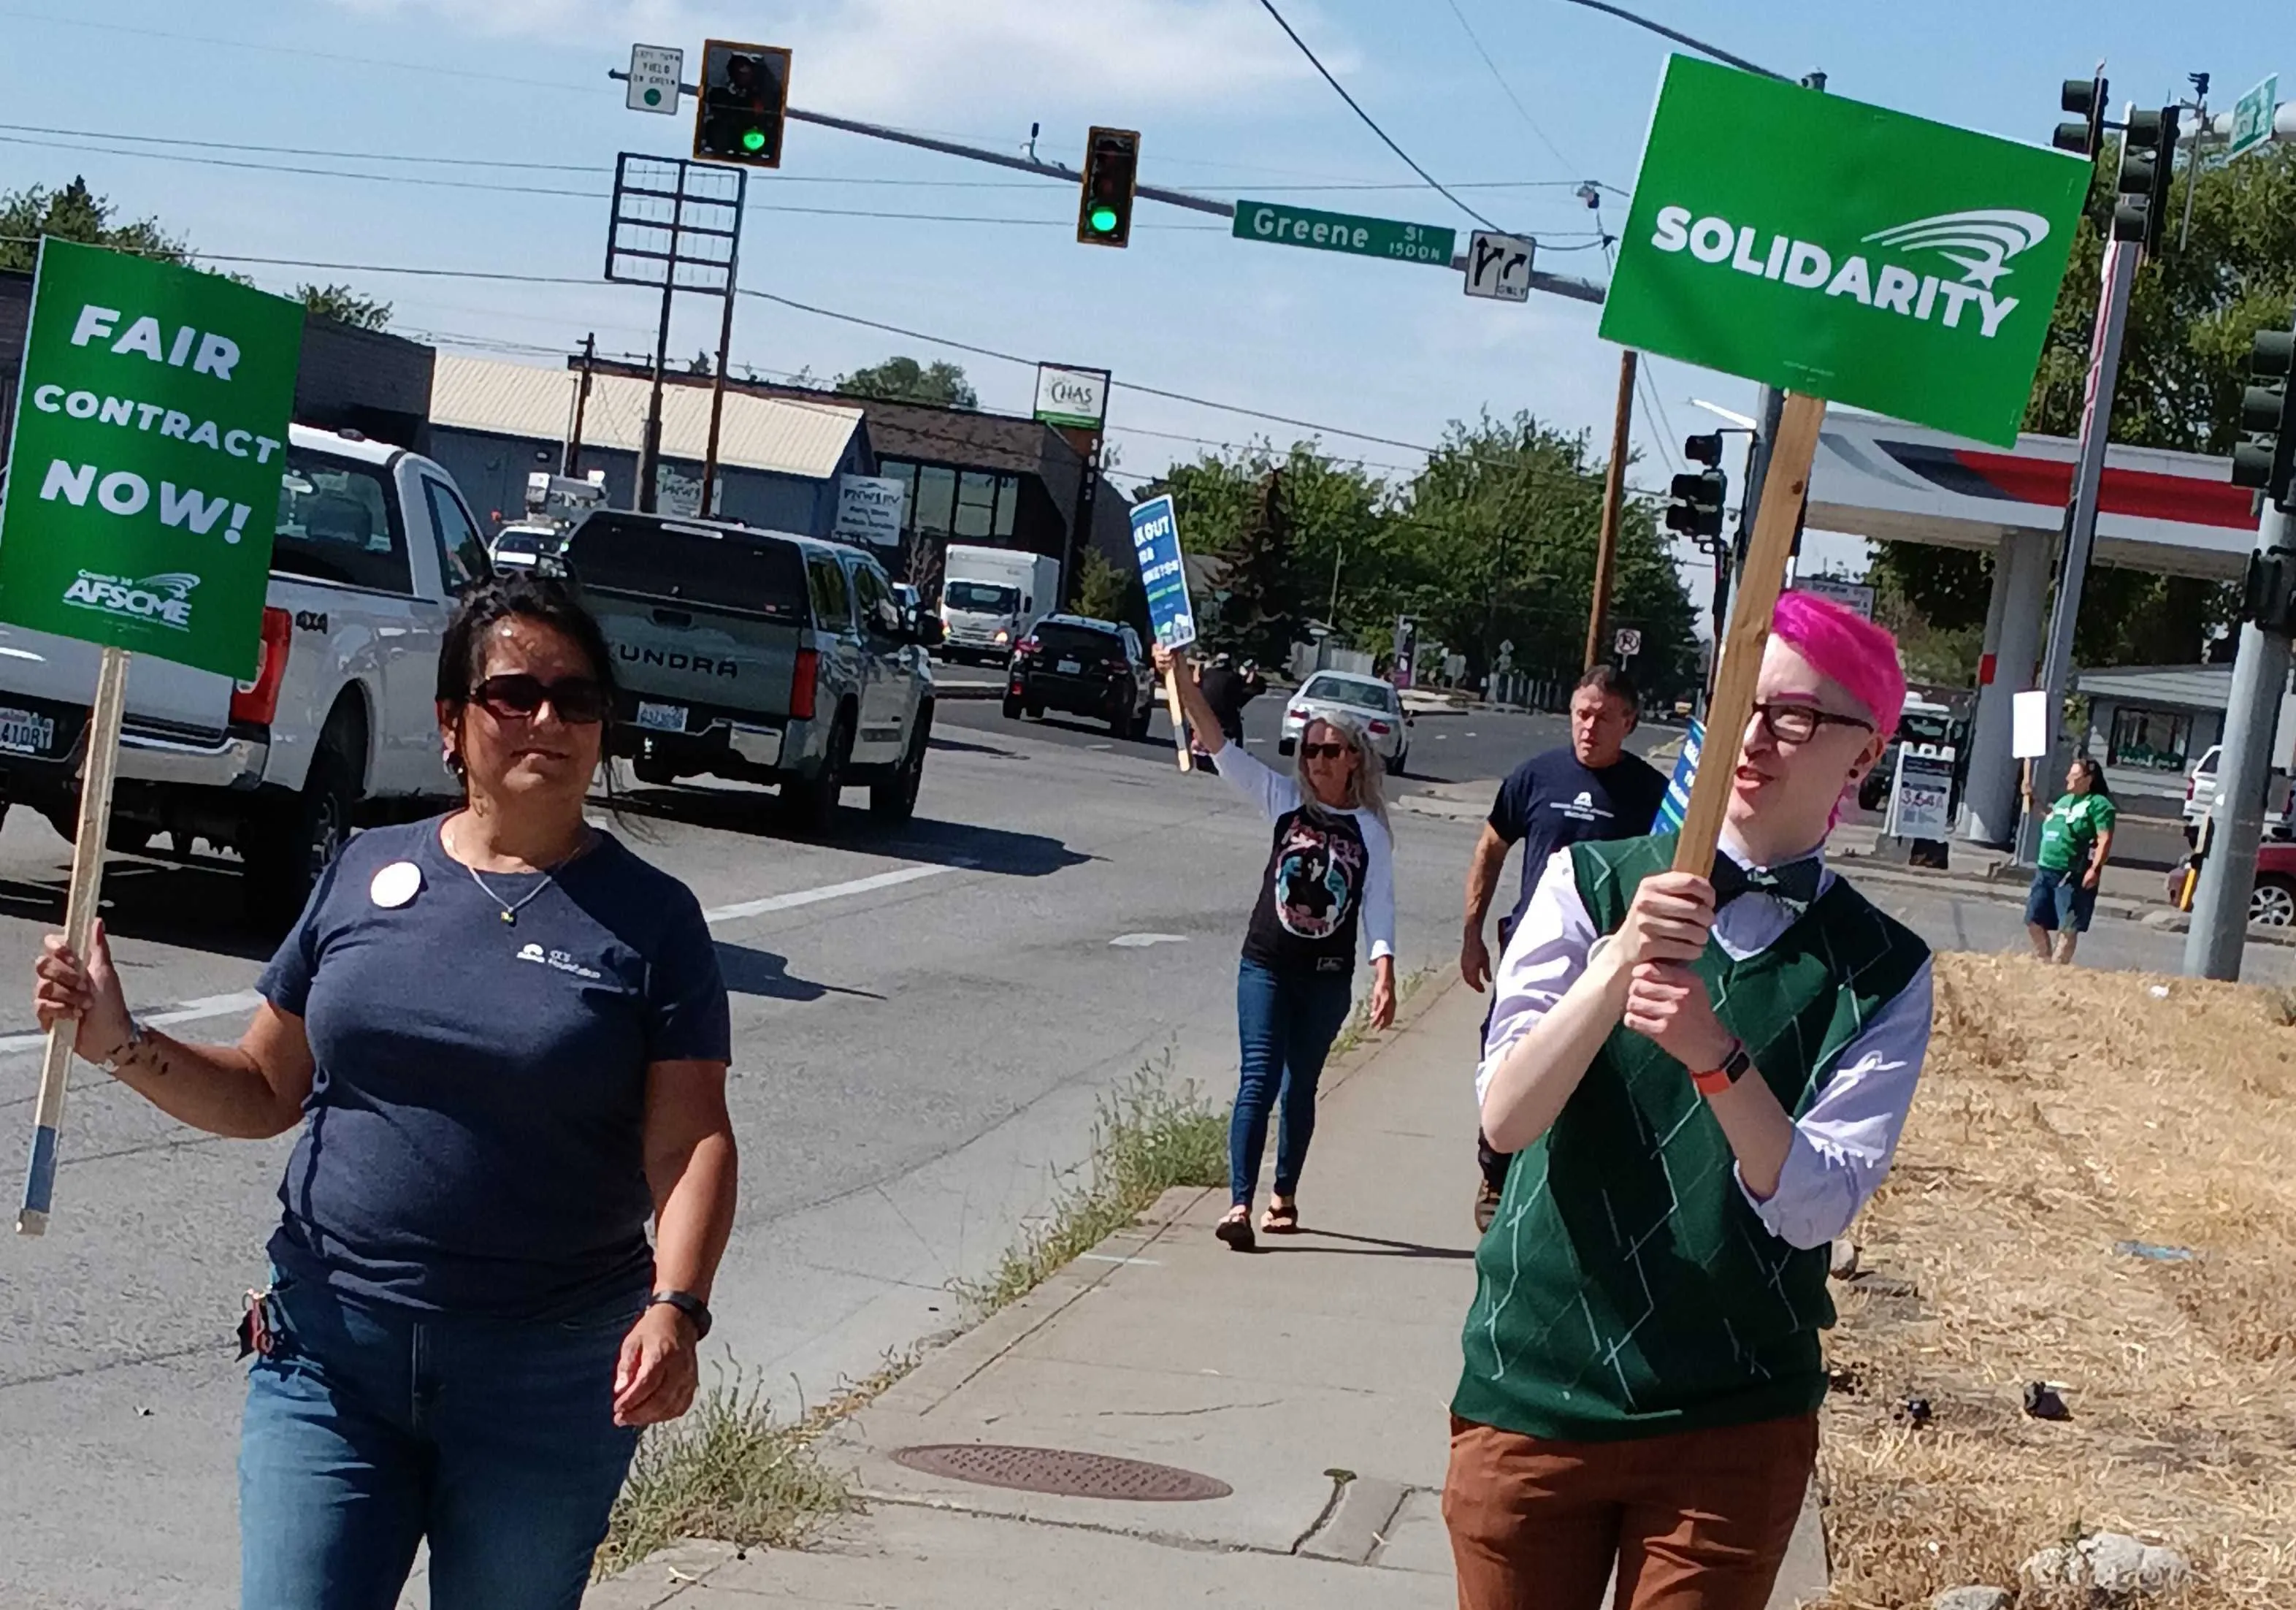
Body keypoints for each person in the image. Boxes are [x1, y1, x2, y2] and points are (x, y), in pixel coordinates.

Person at [32, 574, 737, 1610]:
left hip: (545, 1376)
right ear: (452, 723)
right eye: (515, 694)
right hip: (329, 1355)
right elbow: (265, 1088)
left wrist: (677, 1306)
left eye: (577, 699)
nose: (548, 719)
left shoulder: (653, 920)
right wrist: (121, 1042)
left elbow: (690, 1144)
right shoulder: (364, 871)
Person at [1444, 591, 1933, 1610]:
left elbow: (1817, 1204)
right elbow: (1506, 1115)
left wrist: (1717, 1057)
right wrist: (1618, 959)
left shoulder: (1882, 969)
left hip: (1732, 1417)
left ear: (1865, 755)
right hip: (1538, 1386)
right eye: (1738, 704)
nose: (1752, 739)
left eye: (1794, 715)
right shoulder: (1589, 884)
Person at [1157, 644, 1396, 1252]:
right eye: (1309, 750)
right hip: (1265, 964)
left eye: (1329, 751)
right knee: (1258, 1079)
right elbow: (1219, 747)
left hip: (1325, 977)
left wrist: (1384, 969)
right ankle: (1239, 1203)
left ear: (1353, 758)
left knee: (1300, 1086)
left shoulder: (1369, 830)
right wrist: (1180, 676)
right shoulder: (1283, 801)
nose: (1316, 761)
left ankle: (1283, 1193)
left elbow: (1378, 903)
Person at [1460, 665, 1667, 1231]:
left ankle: (1566, 1182)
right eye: (1581, 714)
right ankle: (1495, 1171)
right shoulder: (1536, 777)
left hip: (1608, 964)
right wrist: (1472, 933)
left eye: (1603, 717)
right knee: (1509, 1056)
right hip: (1533, 956)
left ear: (1629, 722)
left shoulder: (1652, 796)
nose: (1589, 727)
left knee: (1589, 1071)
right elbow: (1491, 847)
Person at [2024, 754, 2116, 964]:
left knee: (2068, 925)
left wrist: (2095, 868)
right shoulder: (2064, 801)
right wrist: (2033, 799)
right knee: (2034, 919)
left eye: (2074, 776)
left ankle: (2059, 966)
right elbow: (2049, 818)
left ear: (2088, 779)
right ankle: (2043, 960)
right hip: (2046, 868)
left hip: (2072, 872)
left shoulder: (2099, 805)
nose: (2068, 778)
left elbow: (2104, 838)